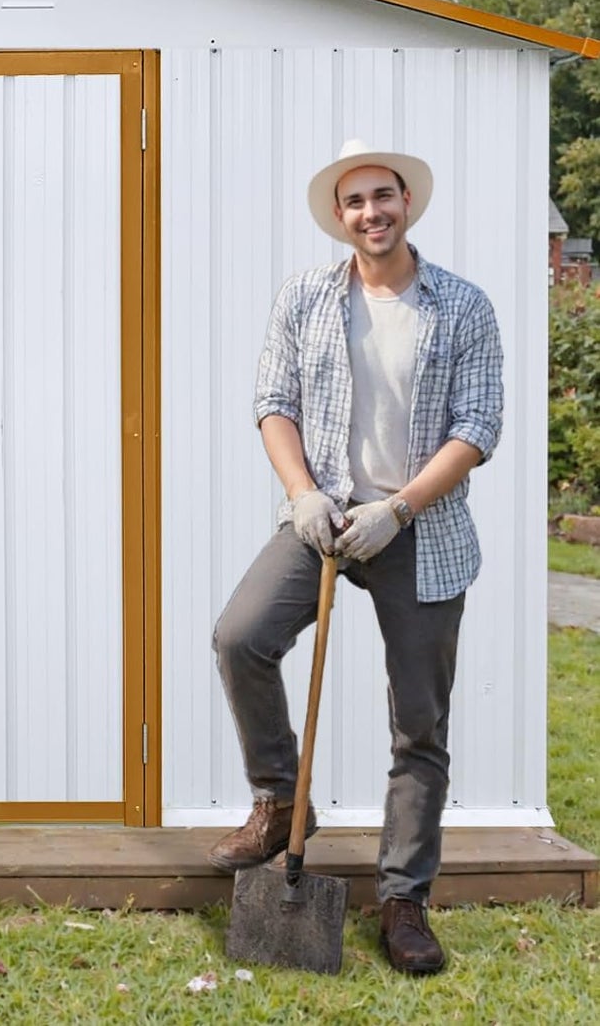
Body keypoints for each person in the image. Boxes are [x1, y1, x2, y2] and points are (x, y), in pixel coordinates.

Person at [208, 139, 503, 976]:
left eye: (382, 195)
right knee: (240, 636)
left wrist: (399, 506)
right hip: (325, 518)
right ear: (338, 217)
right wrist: (304, 494)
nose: (369, 211)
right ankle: (277, 801)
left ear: (406, 201)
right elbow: (273, 403)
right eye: (353, 201)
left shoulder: (461, 305)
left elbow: (477, 427)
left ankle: (403, 898)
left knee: (418, 724)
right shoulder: (305, 297)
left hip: (419, 529)